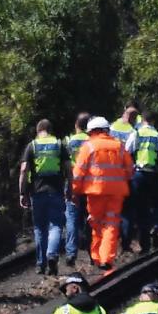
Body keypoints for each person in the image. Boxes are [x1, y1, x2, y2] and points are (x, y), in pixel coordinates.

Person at [71, 116, 134, 270]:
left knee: (96, 223)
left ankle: (97, 257)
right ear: (106, 130)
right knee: (111, 225)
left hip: (95, 192)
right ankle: (106, 258)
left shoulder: (89, 146)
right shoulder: (119, 146)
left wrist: (75, 191)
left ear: (91, 131)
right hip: (116, 193)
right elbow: (130, 170)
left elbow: (78, 172)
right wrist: (120, 180)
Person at [19, 118, 69, 275]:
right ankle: (52, 254)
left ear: (38, 130)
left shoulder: (32, 145)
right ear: (50, 130)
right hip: (56, 190)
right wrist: (71, 188)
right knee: (56, 225)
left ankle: (41, 264)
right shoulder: (59, 144)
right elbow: (69, 169)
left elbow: (24, 170)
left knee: (39, 228)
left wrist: (22, 192)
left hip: (37, 191)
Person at [122, 112, 158, 252]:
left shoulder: (135, 133)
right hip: (153, 175)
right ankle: (154, 230)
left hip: (138, 175)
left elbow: (126, 151)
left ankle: (137, 244)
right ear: (154, 121)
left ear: (142, 120)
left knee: (139, 209)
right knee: (157, 204)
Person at [64, 112, 92, 267]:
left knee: (72, 219)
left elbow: (65, 165)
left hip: (73, 184)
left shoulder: (69, 142)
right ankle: (92, 253)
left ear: (76, 124)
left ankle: (71, 253)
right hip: (89, 185)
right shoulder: (92, 142)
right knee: (90, 218)